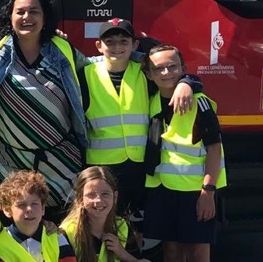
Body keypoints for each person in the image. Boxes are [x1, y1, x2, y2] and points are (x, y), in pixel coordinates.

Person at [0, 0, 193, 212]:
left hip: (60, 159)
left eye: (34, 11)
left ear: (45, 16)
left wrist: (186, 80)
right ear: (9, 16)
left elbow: (110, 58)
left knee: (60, 224)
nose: (27, 17)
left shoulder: (61, 50)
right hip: (8, 158)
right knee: (14, 224)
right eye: (20, 12)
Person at [145, 45, 225, 262]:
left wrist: (208, 190)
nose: (166, 73)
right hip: (163, 190)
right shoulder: (150, 99)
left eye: (173, 67)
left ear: (182, 68)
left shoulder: (199, 103)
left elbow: (214, 149)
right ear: (149, 74)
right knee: (172, 252)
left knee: (199, 255)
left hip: (195, 192)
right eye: (159, 69)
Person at [79, 19, 198, 219]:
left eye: (123, 41)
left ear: (134, 45)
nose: (117, 47)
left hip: (140, 164)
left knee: (137, 224)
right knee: (104, 221)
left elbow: (172, 75)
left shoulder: (145, 72)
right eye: (110, 42)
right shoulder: (84, 74)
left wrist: (188, 82)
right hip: (101, 167)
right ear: (99, 46)